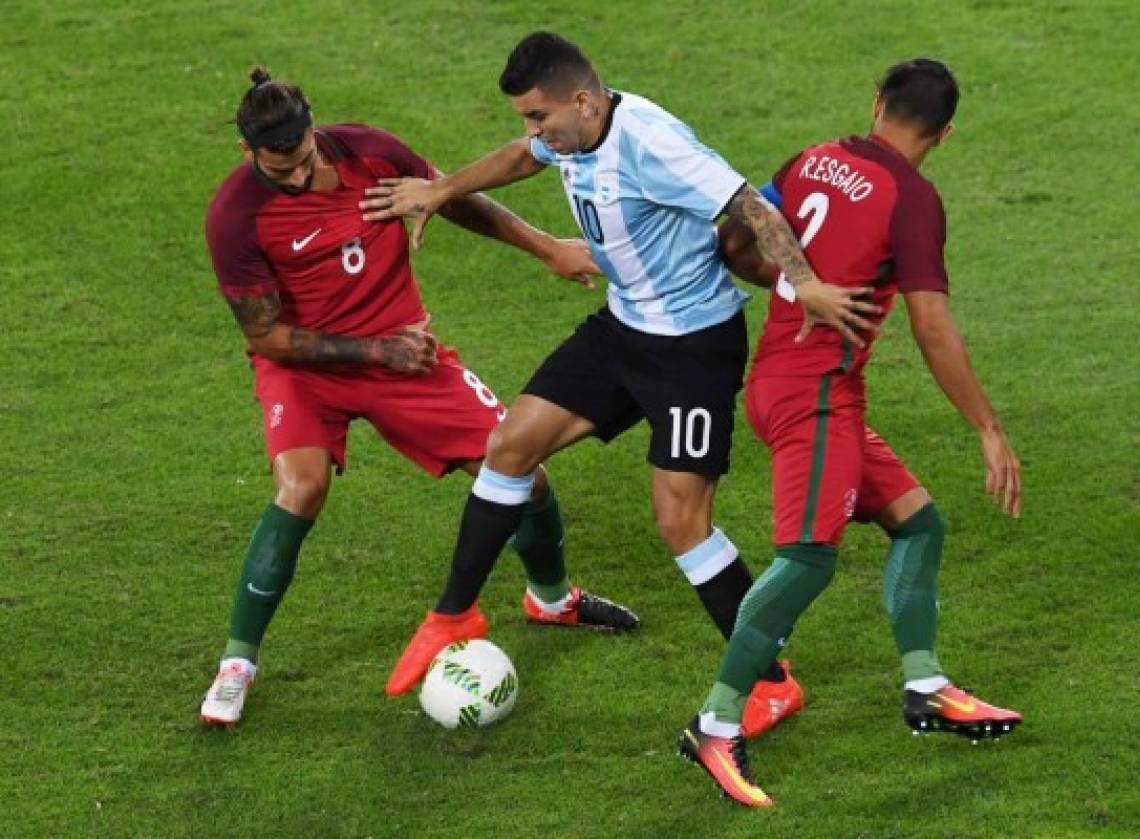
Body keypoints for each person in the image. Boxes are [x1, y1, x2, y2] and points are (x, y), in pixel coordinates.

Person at [359, 32, 878, 735]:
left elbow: (750, 207)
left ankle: (771, 679)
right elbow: (523, 157)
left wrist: (807, 283)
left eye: (538, 116)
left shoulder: (654, 144)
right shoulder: (572, 132)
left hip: (693, 349)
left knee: (681, 519)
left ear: (582, 100)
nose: (532, 132)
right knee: (509, 445)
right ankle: (453, 614)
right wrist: (442, 188)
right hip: (623, 329)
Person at [199, 68, 638, 727]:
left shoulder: (371, 154)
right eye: (276, 167)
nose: (293, 176)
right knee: (301, 487)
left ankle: (550, 598)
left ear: (313, 131)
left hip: (407, 353)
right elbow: (269, 336)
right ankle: (237, 664)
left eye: (301, 160)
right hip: (306, 365)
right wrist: (378, 352)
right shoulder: (236, 216)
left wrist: (546, 248)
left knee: (520, 469)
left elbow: (452, 198)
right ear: (246, 151)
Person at [677, 58, 1024, 807]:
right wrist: (988, 429)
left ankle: (925, 684)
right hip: (816, 396)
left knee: (919, 523)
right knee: (806, 559)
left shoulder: (814, 158)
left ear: (877, 104)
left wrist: (798, 286)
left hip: (782, 379)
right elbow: (931, 326)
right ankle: (715, 720)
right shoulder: (914, 200)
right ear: (945, 133)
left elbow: (734, 244)